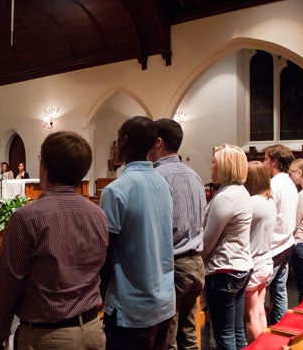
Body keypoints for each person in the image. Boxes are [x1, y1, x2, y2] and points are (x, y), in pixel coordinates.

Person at [0, 131, 108, 350]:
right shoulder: (98, 214)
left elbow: (7, 283)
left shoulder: (27, 217)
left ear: (44, 166)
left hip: (49, 337)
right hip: (92, 329)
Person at [99, 116, 175, 350]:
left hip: (132, 307)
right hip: (164, 299)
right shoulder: (163, 183)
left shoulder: (116, 190)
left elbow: (106, 251)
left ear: (123, 142)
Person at [148, 118, 205, 350]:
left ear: (158, 142)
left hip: (174, 266)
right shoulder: (194, 175)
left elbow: (156, 228)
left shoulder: (158, 177)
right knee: (189, 335)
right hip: (196, 264)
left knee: (167, 340)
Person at [202, 144, 253, 349]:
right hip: (239, 267)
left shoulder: (226, 197)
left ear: (225, 166)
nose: (210, 167)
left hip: (224, 269)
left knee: (224, 335)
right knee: (236, 330)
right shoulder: (239, 191)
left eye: (214, 163)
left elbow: (207, 242)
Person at [262, 144, 298, 325]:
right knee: (280, 289)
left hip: (274, 246)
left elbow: (268, 216)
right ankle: (281, 326)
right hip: (287, 242)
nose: (263, 163)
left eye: (266, 159)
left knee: (259, 292)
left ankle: (263, 331)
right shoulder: (290, 183)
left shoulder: (273, 184)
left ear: (274, 161)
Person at [242, 161, 276, 343]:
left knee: (250, 317)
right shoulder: (269, 200)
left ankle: (258, 347)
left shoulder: (252, 203)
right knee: (260, 311)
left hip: (253, 263)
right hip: (265, 260)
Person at [288, 158, 303, 303]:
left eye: (292, 173)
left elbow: (295, 222)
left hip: (302, 243)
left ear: (299, 172)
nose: (290, 177)